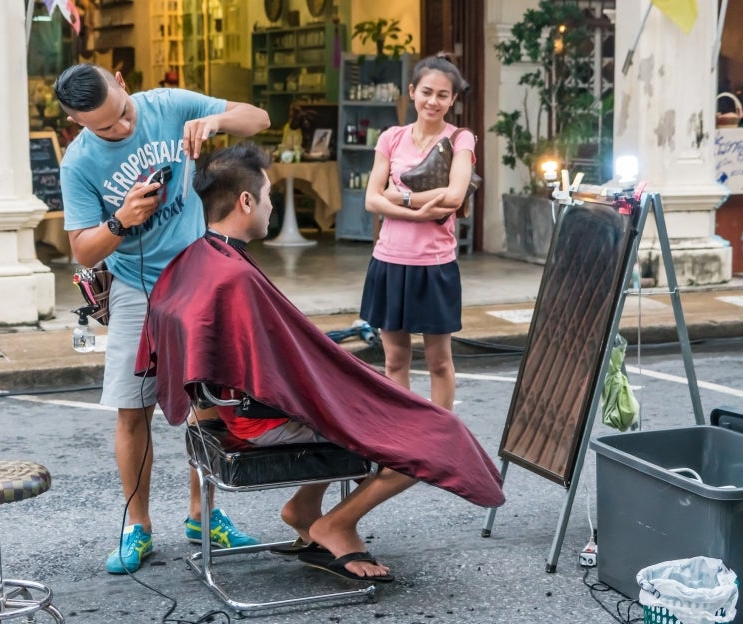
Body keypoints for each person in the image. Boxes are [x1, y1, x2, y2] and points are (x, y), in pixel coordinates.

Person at [135, 142, 504, 583]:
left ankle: (306, 508)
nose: (271, 208)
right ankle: (336, 524)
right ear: (246, 201)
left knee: (377, 402)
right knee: (435, 431)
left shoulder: (198, 259)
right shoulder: (233, 277)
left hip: (239, 411)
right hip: (261, 421)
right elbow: (282, 372)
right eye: (269, 198)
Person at [53, 63, 270, 574]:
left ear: (123, 85)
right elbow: (84, 250)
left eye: (123, 114)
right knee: (133, 410)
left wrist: (216, 122)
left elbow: (257, 118)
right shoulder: (78, 163)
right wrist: (120, 221)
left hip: (200, 272)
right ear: (76, 121)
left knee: (209, 398)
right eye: (105, 127)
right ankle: (138, 526)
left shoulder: (167, 105)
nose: (122, 129)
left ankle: (204, 515)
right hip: (135, 286)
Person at [359, 54, 476, 412]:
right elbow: (370, 200)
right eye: (426, 92)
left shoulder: (460, 138)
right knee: (395, 360)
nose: (433, 101)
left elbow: (455, 196)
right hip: (389, 261)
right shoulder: (391, 138)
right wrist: (419, 211)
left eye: (443, 95)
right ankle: (405, 440)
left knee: (439, 361)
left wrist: (403, 197)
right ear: (412, 92)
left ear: (453, 100)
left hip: (435, 265)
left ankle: (441, 440)